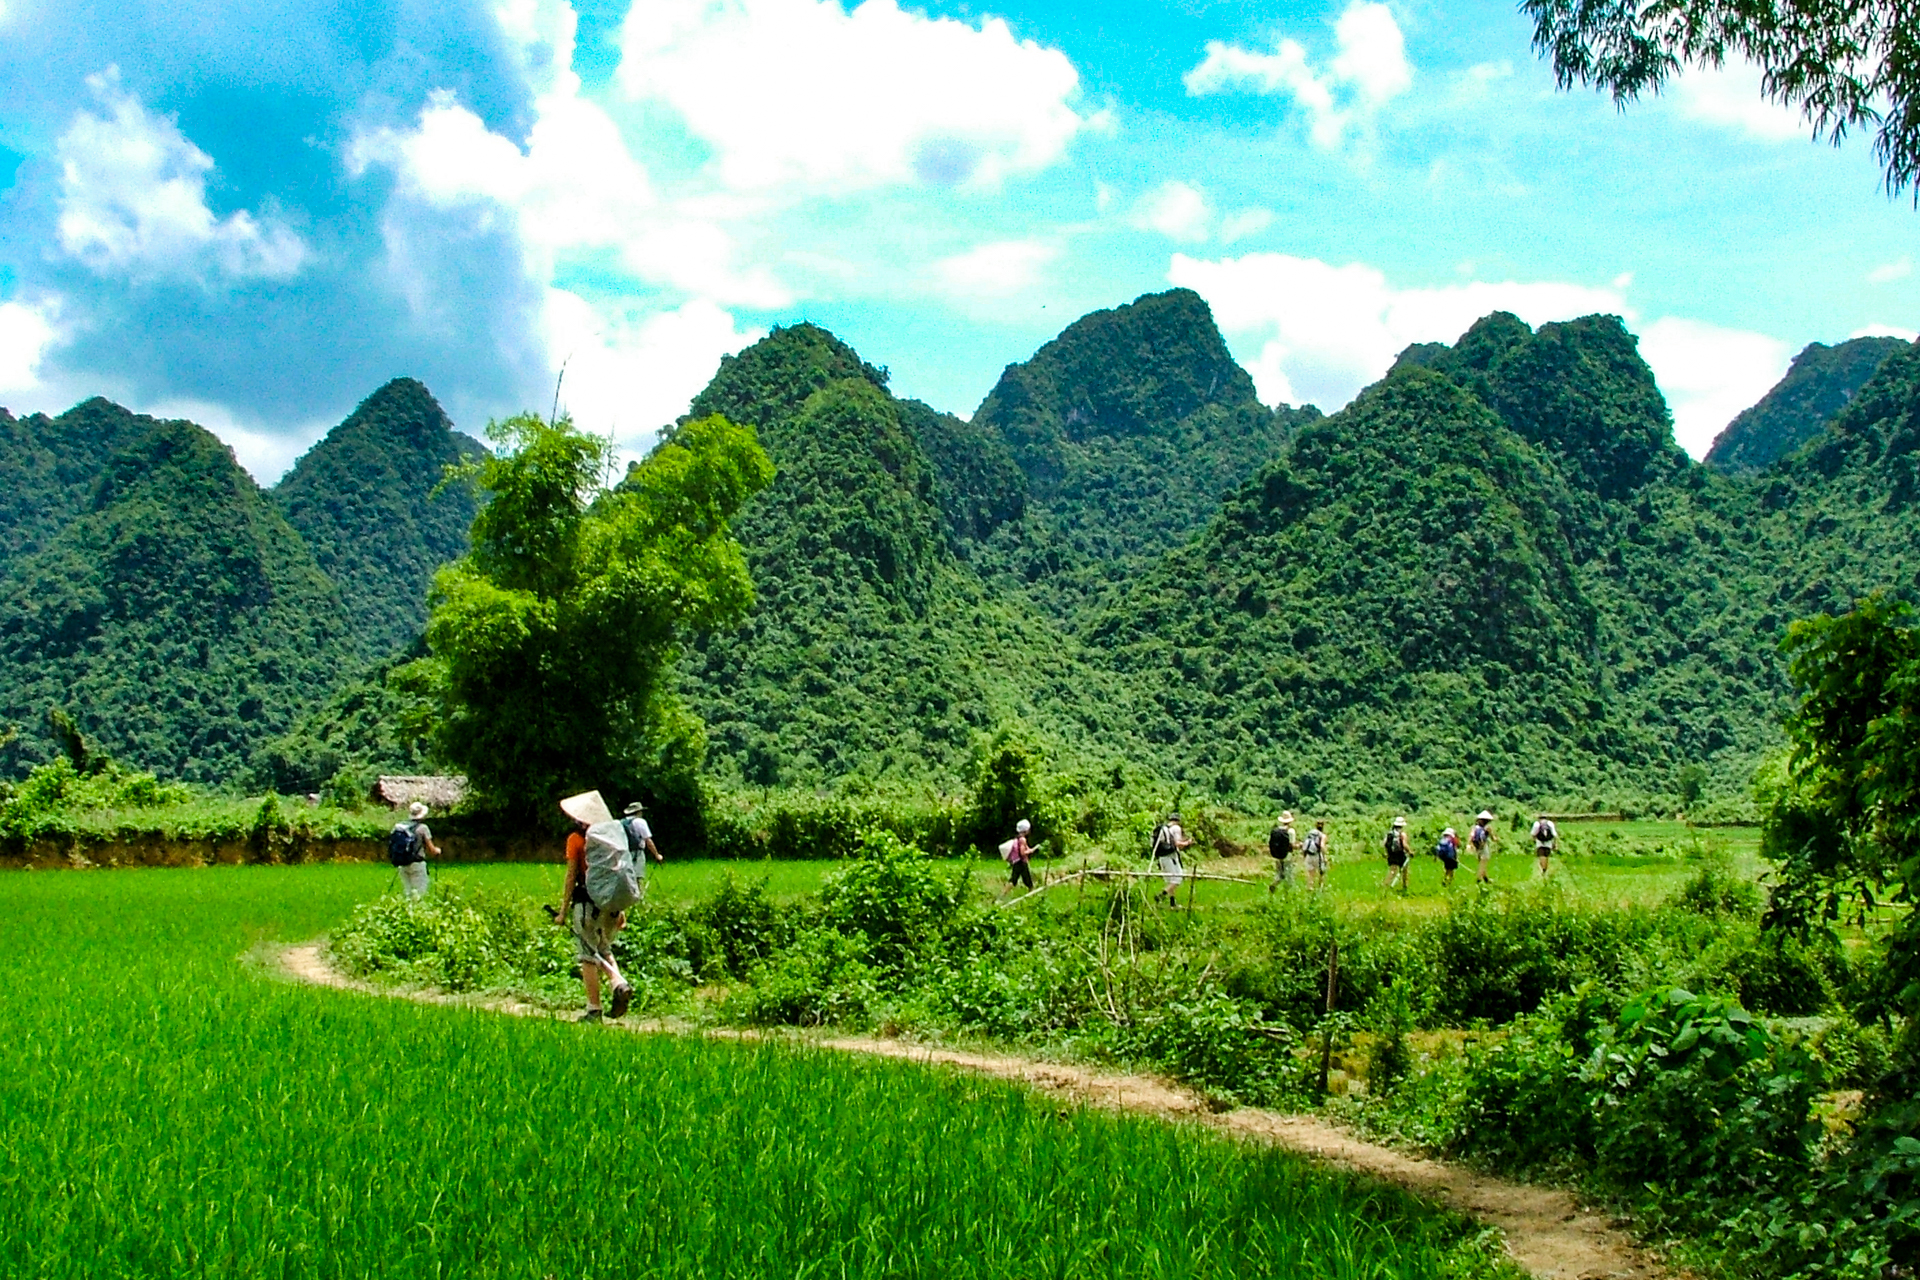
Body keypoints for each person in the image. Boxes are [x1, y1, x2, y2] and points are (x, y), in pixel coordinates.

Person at [557, 791, 635, 1022]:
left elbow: (571, 876)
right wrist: (622, 910)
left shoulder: (576, 839)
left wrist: (562, 911)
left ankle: (594, 1009)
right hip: (610, 906)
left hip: (586, 905)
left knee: (587, 957)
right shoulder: (611, 838)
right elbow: (619, 874)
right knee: (604, 950)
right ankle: (618, 982)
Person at [389, 801, 442, 900]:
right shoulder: (422, 828)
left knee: (408, 893)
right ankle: (417, 913)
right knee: (419, 894)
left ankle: (407, 913)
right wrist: (437, 851)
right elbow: (432, 849)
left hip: (402, 864)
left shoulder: (401, 827)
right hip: (417, 864)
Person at [621, 800, 665, 896]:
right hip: (637, 853)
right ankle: (638, 898)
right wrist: (657, 855)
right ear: (639, 812)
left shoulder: (621, 822)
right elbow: (648, 840)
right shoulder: (640, 822)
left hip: (624, 853)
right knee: (638, 877)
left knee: (627, 878)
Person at [1149, 812, 1193, 907]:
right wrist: (1187, 843)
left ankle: (1172, 903)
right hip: (1170, 856)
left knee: (1171, 880)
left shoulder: (1165, 828)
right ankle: (1160, 896)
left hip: (1162, 857)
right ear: (1178, 821)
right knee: (1177, 878)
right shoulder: (1176, 828)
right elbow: (1178, 844)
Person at [1001, 818, 1035, 895]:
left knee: (1015, 880)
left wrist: (1029, 849)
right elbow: (1022, 852)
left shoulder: (1018, 838)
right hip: (1021, 863)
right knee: (1027, 882)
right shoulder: (1023, 839)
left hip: (1017, 862)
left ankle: (1002, 895)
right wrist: (1030, 851)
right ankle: (1033, 896)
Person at [1267, 811, 1296, 893]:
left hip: (1277, 856)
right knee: (1288, 875)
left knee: (1279, 874)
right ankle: (1287, 894)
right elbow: (1292, 845)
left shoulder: (1276, 831)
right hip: (1288, 856)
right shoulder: (1291, 831)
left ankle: (1274, 884)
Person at [1383, 816, 1411, 894]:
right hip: (1400, 854)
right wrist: (1410, 851)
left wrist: (1387, 853)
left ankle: (1386, 885)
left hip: (1391, 854)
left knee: (1392, 871)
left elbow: (1385, 844)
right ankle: (1405, 887)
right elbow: (1404, 844)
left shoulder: (1389, 834)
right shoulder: (1402, 834)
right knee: (1405, 870)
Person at [1300, 820, 1330, 890]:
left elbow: (1304, 844)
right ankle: (1320, 888)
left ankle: (1310, 887)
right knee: (1321, 872)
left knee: (1310, 874)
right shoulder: (1322, 835)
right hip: (1317, 855)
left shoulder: (1310, 833)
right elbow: (1322, 846)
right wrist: (1325, 856)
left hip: (1308, 855)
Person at [1468, 811, 1496, 883]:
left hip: (1477, 847)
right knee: (1483, 863)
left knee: (1481, 862)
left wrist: (1469, 845)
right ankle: (1479, 879)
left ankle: (1486, 879)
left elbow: (1471, 836)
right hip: (1484, 847)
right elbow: (1493, 838)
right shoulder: (1487, 828)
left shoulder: (1474, 828)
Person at [1531, 813, 1559, 877]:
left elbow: (1533, 834)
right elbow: (1555, 835)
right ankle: (1545, 870)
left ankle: (1543, 870)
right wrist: (1555, 844)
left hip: (1540, 843)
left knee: (1541, 856)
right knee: (1546, 857)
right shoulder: (1550, 823)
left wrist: (1534, 841)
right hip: (1548, 843)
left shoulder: (1537, 824)